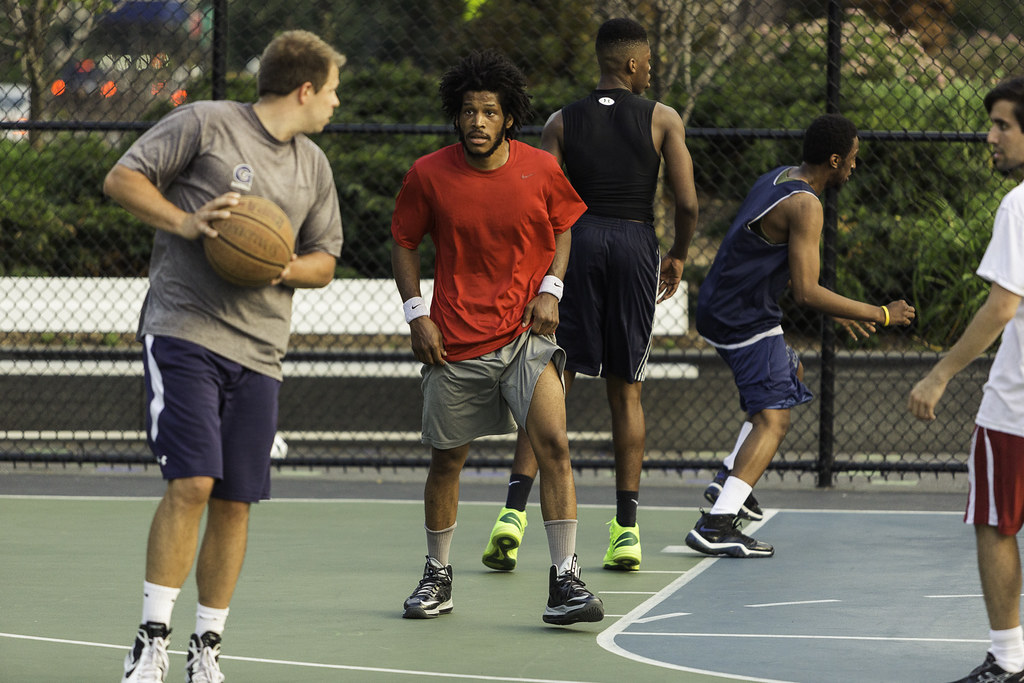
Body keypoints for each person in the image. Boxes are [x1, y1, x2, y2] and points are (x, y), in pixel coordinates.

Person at [103, 30, 345, 683]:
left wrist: (281, 264)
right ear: (303, 88)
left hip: (261, 349)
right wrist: (185, 223)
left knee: (235, 498)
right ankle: (150, 637)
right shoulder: (207, 124)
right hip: (185, 328)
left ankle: (206, 644)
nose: (336, 102)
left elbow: (325, 258)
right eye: (331, 90)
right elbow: (122, 177)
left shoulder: (313, 166)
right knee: (193, 480)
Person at [391, 49, 604, 626]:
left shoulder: (540, 168)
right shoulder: (428, 175)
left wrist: (552, 289)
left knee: (555, 447)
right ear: (456, 118)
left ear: (508, 118)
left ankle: (565, 581)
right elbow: (405, 242)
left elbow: (563, 229)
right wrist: (417, 315)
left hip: (526, 336)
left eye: (489, 112)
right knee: (446, 462)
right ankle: (438, 576)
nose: (477, 122)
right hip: (454, 339)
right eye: (468, 112)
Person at [481, 16, 699, 574]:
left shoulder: (560, 121)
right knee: (626, 391)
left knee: (553, 379)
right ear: (630, 64)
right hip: (632, 241)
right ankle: (625, 530)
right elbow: (688, 201)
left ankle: (511, 516)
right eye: (648, 61)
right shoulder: (662, 118)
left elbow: (538, 198)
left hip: (575, 240)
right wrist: (677, 252)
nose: (651, 69)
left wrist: (546, 273)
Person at [687, 113, 915, 558]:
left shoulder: (779, 178)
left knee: (791, 370)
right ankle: (716, 524)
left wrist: (844, 312)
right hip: (743, 318)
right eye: (852, 159)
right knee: (775, 417)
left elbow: (794, 277)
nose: (854, 166)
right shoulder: (807, 204)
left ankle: (728, 480)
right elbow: (808, 291)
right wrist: (881, 314)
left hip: (724, 306)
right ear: (834, 159)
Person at [909, 77, 1024, 683]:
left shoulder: (1019, 205)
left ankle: (1008, 661)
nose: (991, 135)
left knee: (997, 523)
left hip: (1015, 412)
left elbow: (1002, 306)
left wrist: (939, 373)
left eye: (1003, 124)